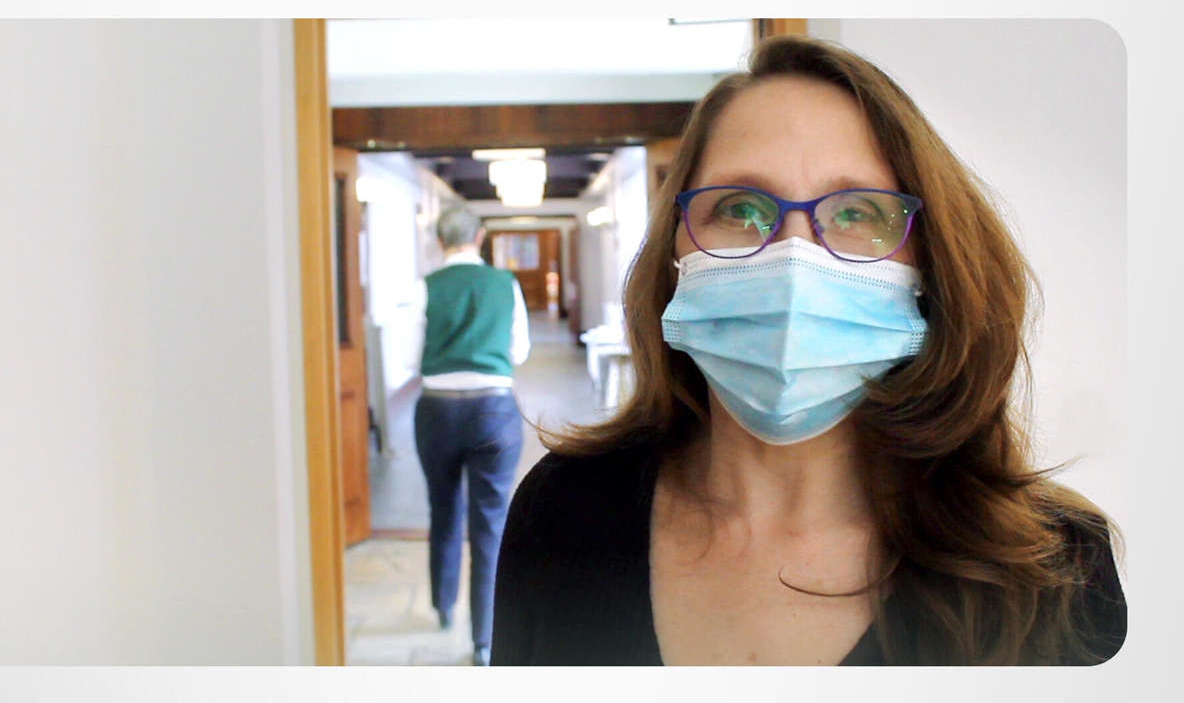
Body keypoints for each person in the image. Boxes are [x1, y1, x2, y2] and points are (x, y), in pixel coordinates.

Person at [490, 36, 1126, 666]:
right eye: (740, 207)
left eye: (857, 213)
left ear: (930, 263)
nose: (794, 259)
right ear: (674, 254)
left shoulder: (1055, 573)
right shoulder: (563, 511)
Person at [415, 204, 529, 666]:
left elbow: (409, 355)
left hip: (436, 410)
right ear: (479, 237)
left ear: (440, 240)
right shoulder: (505, 284)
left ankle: (444, 606)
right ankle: (484, 640)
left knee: (443, 509)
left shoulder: (425, 287)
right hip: (494, 409)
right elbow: (519, 351)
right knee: (490, 521)